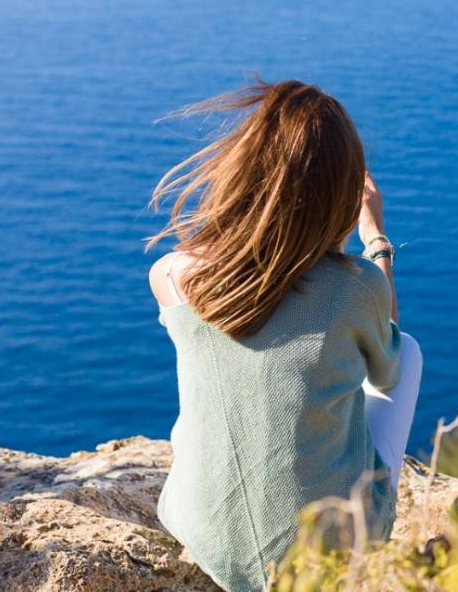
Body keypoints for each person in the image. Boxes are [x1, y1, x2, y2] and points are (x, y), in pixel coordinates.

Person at [145, 79, 422, 592]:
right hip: (323, 559)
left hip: (200, 528)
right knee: (405, 350)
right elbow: (388, 368)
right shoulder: (354, 288)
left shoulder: (173, 275)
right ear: (337, 194)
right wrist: (376, 240)